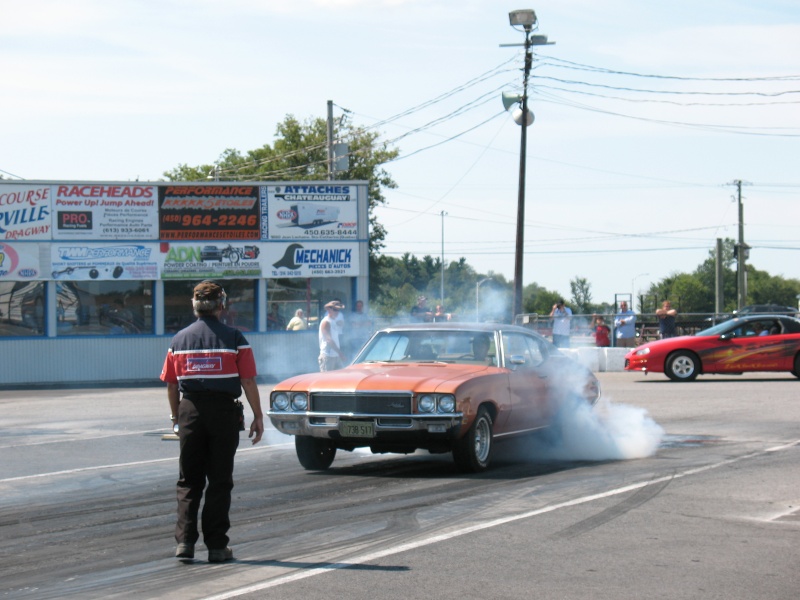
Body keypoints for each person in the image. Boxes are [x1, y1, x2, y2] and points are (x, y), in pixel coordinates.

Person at [160, 280, 263, 563]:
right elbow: (248, 380)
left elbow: (171, 385)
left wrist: (175, 417)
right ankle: (217, 546)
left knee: (188, 480)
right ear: (222, 305)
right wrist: (258, 415)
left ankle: (185, 544)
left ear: (194, 307)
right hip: (223, 413)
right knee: (219, 480)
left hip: (189, 410)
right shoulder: (235, 338)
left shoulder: (178, 340)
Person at [319, 300, 347, 371]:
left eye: (338, 309)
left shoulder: (333, 321)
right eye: (334, 309)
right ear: (329, 309)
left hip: (335, 355)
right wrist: (340, 353)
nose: (337, 311)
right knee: (326, 380)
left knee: (341, 378)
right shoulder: (326, 322)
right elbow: (329, 340)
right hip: (328, 356)